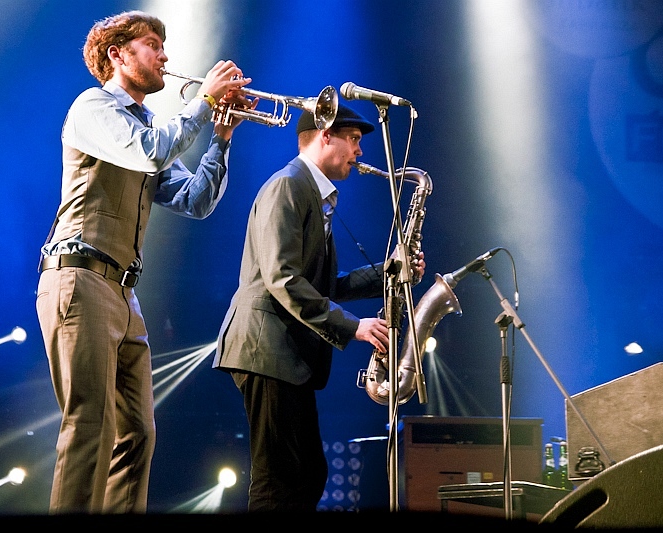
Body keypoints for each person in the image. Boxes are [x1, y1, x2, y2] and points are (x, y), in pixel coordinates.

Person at [35, 10, 252, 514]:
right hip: (80, 277)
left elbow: (195, 200)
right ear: (118, 54)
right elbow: (150, 153)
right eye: (153, 44)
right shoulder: (93, 107)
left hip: (124, 295)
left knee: (137, 435)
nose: (165, 56)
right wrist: (204, 103)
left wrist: (220, 138)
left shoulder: (152, 123)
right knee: (90, 425)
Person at [213, 104, 426, 511]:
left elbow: (325, 286)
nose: (360, 152)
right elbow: (282, 278)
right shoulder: (288, 186)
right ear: (325, 135)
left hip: (282, 353)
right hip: (266, 350)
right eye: (354, 140)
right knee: (279, 478)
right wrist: (353, 327)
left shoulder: (310, 191)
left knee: (307, 474)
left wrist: (391, 271)